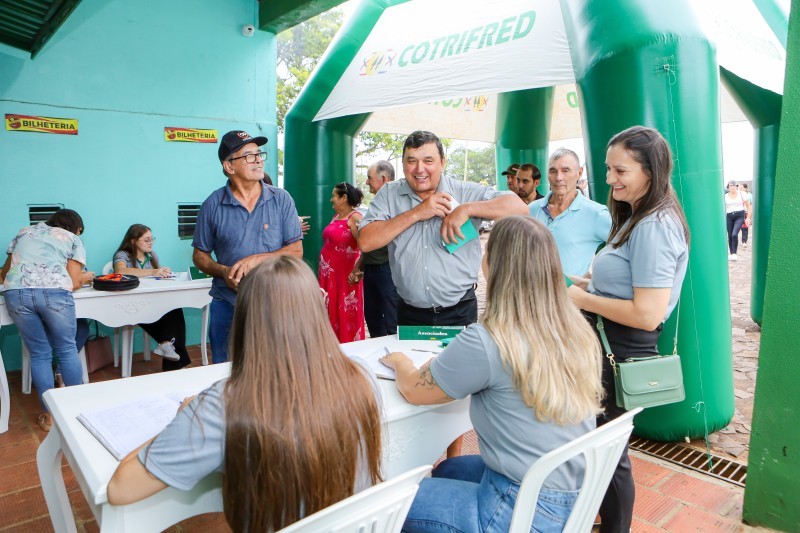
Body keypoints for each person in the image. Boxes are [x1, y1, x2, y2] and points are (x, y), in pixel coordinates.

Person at [107, 256, 382, 530]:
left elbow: (121, 489)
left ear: (246, 319)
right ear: (317, 307)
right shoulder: (361, 374)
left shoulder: (222, 404)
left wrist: (184, 417)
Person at [380, 215, 603, 532]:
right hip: (569, 493)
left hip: (520, 508)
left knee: (386, 504)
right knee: (450, 469)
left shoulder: (491, 339)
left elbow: (415, 390)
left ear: (495, 265)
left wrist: (401, 362)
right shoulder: (577, 331)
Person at [568, 126, 689, 533]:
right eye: (607, 169)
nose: (610, 179)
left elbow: (648, 313)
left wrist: (582, 300)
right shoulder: (637, 215)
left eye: (620, 171)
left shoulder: (654, 225)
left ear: (650, 172)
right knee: (599, 447)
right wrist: (585, 285)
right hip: (606, 345)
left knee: (608, 454)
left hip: (618, 349)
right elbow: (625, 286)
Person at [359, 130, 528, 328]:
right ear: (403, 163)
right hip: (409, 313)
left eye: (428, 161)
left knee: (458, 360)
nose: (419, 169)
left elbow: (521, 209)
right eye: (411, 161)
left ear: (442, 162)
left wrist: (467, 209)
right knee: (411, 361)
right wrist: (417, 213)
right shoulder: (389, 193)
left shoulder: (465, 191)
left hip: (459, 311)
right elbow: (365, 241)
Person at [192, 130, 303, 363]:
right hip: (227, 304)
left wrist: (256, 260)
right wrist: (223, 271)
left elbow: (296, 251)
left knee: (275, 369)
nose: (259, 160)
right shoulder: (212, 204)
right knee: (225, 372)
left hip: (274, 302)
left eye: (259, 154)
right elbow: (200, 256)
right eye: (249, 156)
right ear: (229, 166)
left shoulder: (281, 199)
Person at [0, 209, 94, 432]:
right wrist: (86, 276)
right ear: (76, 228)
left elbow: (5, 273)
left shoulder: (24, 232)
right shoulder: (73, 239)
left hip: (16, 293)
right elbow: (72, 281)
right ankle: (77, 411)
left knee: (39, 354)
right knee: (67, 349)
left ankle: (50, 416)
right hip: (54, 292)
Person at [113, 224, 190, 370]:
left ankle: (166, 346)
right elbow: (120, 271)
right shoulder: (122, 255)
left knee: (175, 308)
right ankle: (172, 359)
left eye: (152, 239)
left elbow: (156, 279)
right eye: (146, 240)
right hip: (132, 305)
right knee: (167, 321)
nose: (151, 243)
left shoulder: (152, 256)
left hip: (153, 302)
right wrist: (153, 272)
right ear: (133, 241)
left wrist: (163, 273)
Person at [529, 148, 612, 276]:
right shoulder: (532, 209)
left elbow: (628, 251)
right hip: (530, 294)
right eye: (553, 171)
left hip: (569, 296)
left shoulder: (596, 214)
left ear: (579, 173)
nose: (558, 177)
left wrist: (598, 282)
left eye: (565, 170)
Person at [349, 160, 399, 338]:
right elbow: (370, 242)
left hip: (388, 271)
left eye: (370, 178)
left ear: (384, 179)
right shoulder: (377, 204)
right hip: (372, 270)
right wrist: (359, 266)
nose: (367, 182)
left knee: (391, 323)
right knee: (373, 319)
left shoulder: (398, 204)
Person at [319, 182, 365, 343]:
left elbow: (366, 246)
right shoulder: (336, 217)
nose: (331, 199)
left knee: (345, 312)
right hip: (328, 276)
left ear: (344, 198)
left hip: (345, 276)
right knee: (329, 310)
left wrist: (357, 270)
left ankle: (348, 348)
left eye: (334, 196)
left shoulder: (355, 218)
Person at [724, 180, 751, 261]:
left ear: (736, 186)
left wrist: (748, 217)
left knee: (734, 234)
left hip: (739, 215)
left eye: (734, 185)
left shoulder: (741, 194)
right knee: (729, 235)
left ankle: (735, 253)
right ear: (728, 187)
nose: (732, 187)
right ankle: (731, 253)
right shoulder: (725, 196)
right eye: (730, 185)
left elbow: (749, 206)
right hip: (729, 216)